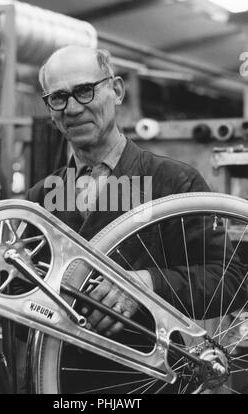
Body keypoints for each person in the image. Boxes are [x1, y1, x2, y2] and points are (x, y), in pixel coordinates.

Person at [24, 45, 246, 339]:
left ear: (116, 91)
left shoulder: (172, 183)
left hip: (150, 378)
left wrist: (147, 284)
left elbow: (229, 280)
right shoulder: (45, 195)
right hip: (60, 377)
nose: (73, 108)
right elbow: (20, 289)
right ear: (50, 110)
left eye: (85, 90)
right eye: (59, 97)